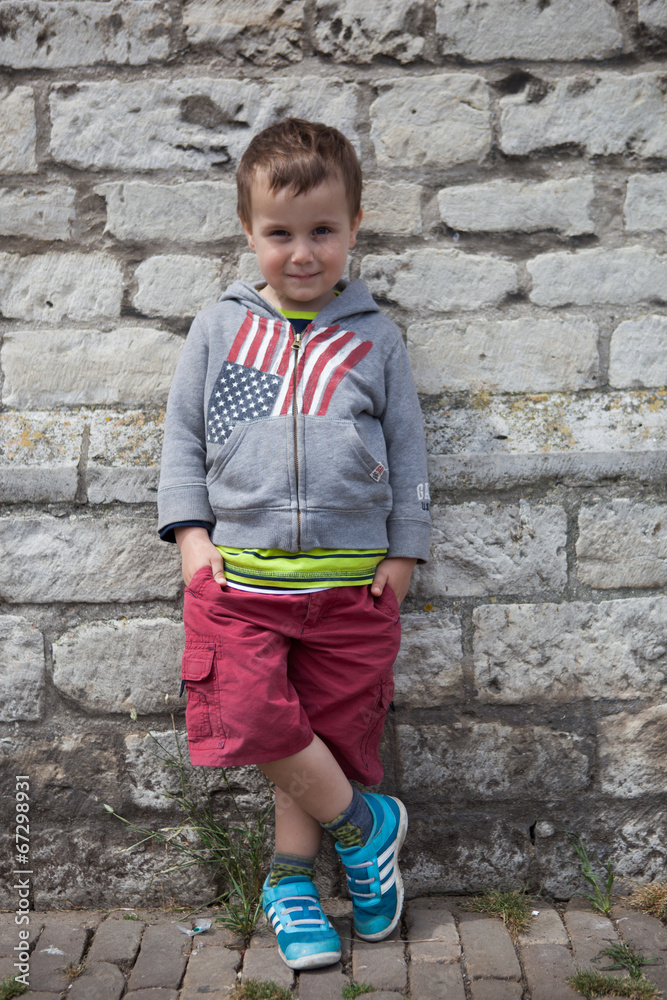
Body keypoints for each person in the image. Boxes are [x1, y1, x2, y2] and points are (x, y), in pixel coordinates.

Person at [157, 118, 431, 971]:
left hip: (352, 586)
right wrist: (193, 544)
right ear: (250, 234)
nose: (302, 252)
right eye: (280, 234)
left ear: (353, 227)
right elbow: (182, 441)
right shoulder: (221, 328)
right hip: (241, 579)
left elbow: (412, 447)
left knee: (332, 739)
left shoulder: (374, 336)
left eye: (323, 231)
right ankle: (365, 826)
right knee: (249, 717)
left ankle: (292, 885)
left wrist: (403, 551)